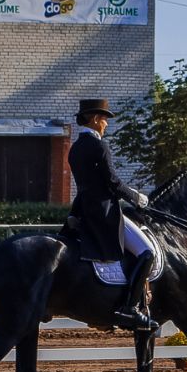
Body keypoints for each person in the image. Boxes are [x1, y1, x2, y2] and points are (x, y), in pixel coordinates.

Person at [67, 98, 158, 331]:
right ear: (95, 119)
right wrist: (136, 198)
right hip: (104, 214)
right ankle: (130, 309)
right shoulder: (100, 146)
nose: (106, 123)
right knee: (147, 254)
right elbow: (113, 182)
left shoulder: (75, 148)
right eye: (105, 119)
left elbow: (87, 185)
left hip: (84, 211)